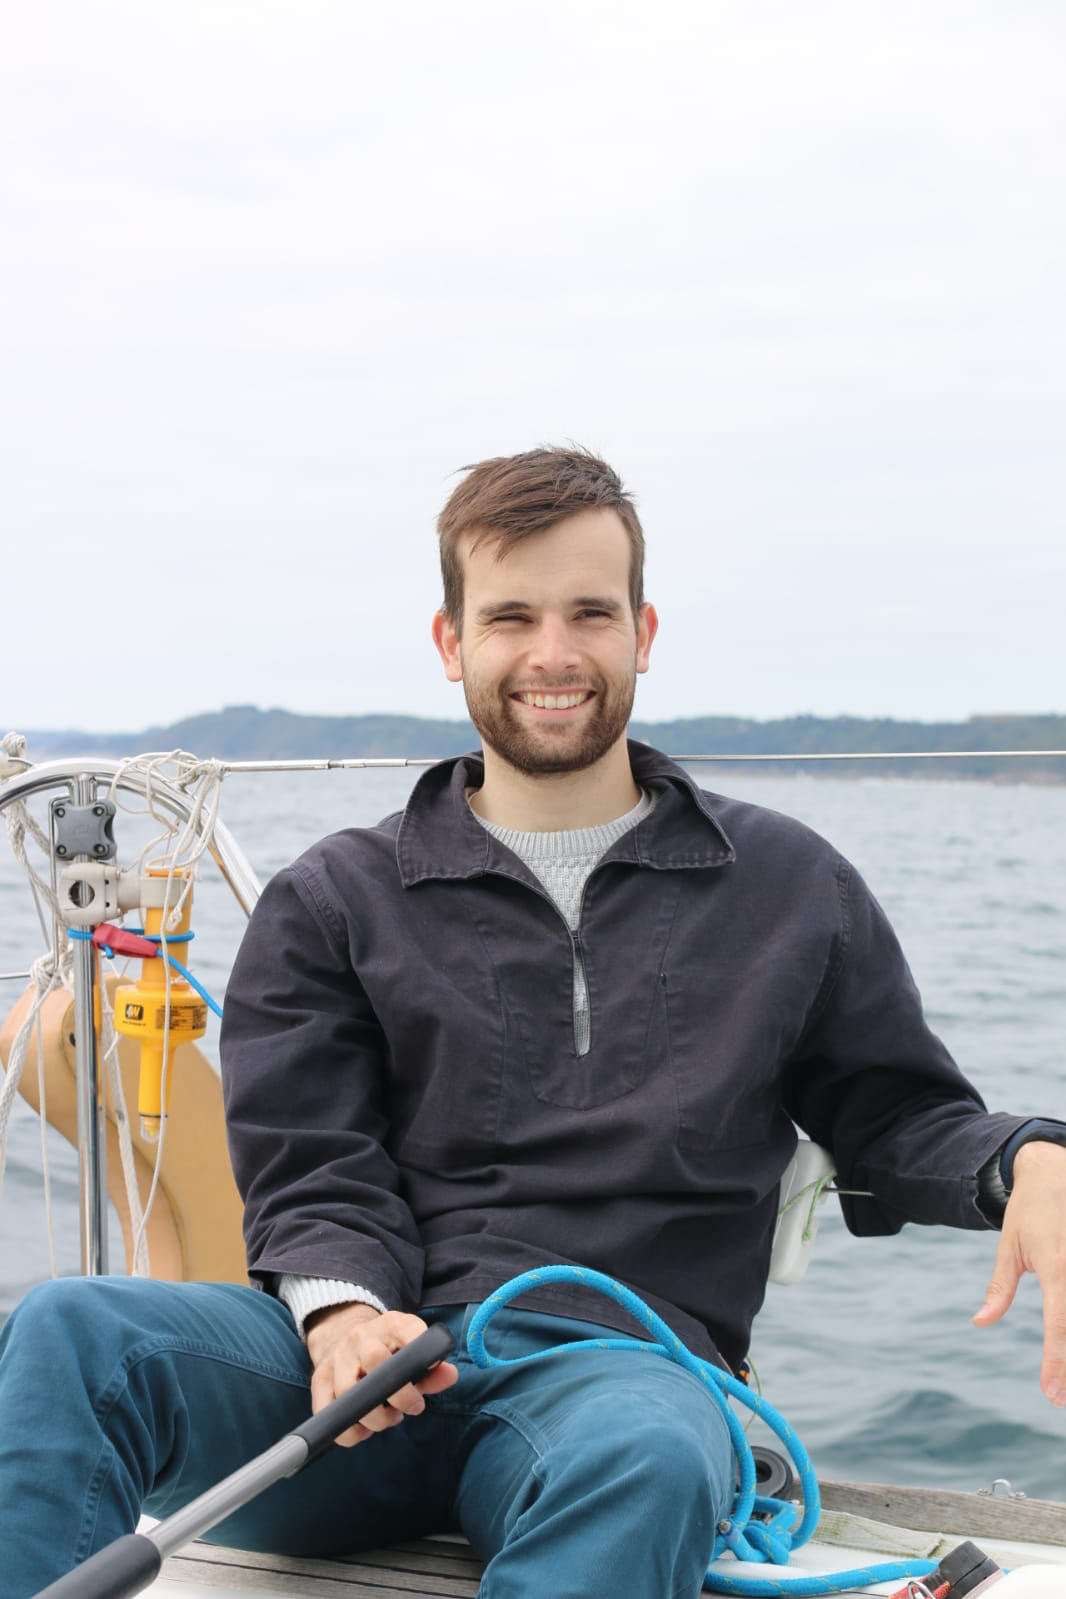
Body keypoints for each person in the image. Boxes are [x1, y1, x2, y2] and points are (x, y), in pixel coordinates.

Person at [1, 446, 1064, 1599]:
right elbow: (311, 1163)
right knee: (70, 1332)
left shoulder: (788, 885)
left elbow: (897, 1116)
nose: (552, 654)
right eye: (510, 615)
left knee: (647, 1455)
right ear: (453, 641)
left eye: (589, 614)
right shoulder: (333, 898)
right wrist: (345, 1313)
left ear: (642, 634)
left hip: (620, 1376)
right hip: (357, 1378)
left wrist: (1025, 1160)